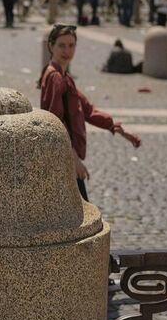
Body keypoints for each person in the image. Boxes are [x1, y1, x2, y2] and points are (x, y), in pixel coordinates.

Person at [39, 24, 141, 201]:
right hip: (63, 157)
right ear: (51, 46)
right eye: (62, 45)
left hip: (65, 157)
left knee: (77, 215)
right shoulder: (55, 77)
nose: (67, 50)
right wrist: (74, 159)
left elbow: (88, 110)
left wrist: (119, 130)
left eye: (71, 45)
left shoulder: (64, 76)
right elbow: (55, 122)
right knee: (81, 215)